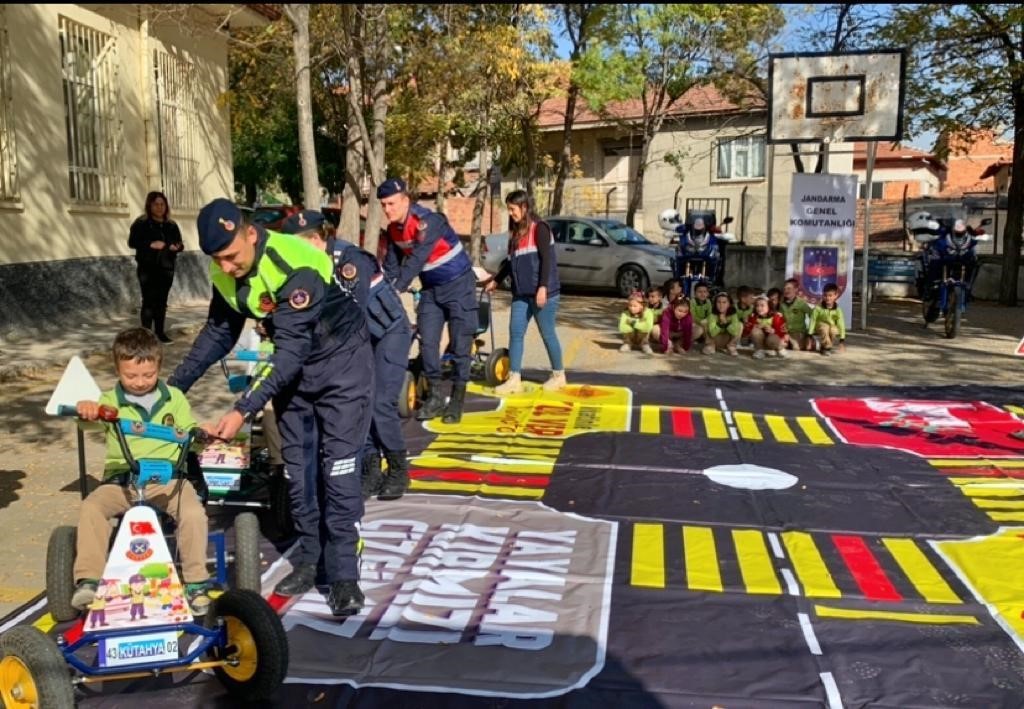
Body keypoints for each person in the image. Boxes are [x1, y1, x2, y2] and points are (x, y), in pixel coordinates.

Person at [168, 199, 372, 617]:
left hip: (341, 368)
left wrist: (242, 409)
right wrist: (173, 388)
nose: (226, 267)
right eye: (216, 260)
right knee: (297, 472)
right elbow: (218, 333)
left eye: (231, 256)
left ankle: (344, 575)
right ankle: (312, 560)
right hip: (294, 377)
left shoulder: (296, 261)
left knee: (338, 471)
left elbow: (289, 353)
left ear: (250, 233)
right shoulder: (223, 269)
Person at [70, 328, 213, 616]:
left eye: (147, 375)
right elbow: (88, 422)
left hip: (168, 479)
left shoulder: (174, 399)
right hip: (123, 479)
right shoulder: (109, 401)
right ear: (118, 370)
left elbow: (190, 436)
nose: (139, 382)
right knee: (91, 508)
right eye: (130, 376)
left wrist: (202, 435)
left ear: (158, 367)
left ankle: (196, 582)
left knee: (193, 513)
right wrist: (86, 409)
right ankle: (89, 579)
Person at [281, 210, 413, 501]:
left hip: (388, 333)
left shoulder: (348, 260)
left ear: (316, 239)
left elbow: (352, 310)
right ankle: (370, 468)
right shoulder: (306, 266)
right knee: (356, 402)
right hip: (357, 340)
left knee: (380, 403)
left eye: (296, 245)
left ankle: (398, 469)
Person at [377, 178, 477, 424]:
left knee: (460, 346)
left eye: (391, 204)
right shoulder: (392, 231)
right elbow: (391, 267)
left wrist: (398, 288)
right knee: (428, 344)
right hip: (432, 290)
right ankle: (434, 397)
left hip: (459, 286)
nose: (387, 210)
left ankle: (456, 400)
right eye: (383, 205)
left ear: (405, 201)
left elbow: (416, 260)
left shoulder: (427, 222)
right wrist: (381, 291)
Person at [485, 190, 566, 395]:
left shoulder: (540, 229)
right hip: (521, 294)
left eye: (513, 209)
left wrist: (543, 287)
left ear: (524, 208)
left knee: (547, 333)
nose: (510, 213)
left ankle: (559, 376)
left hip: (543, 293)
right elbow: (510, 263)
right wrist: (496, 280)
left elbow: (547, 260)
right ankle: (514, 378)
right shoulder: (515, 235)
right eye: (509, 209)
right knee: (516, 332)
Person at [128, 191, 183, 343]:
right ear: (149, 206)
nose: (159, 208)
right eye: (156, 204)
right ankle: (146, 335)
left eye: (162, 204)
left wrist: (176, 247)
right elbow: (132, 242)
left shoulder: (171, 225)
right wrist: (150, 244)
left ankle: (160, 332)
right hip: (148, 268)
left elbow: (179, 243)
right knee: (148, 301)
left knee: (162, 301)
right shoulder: (142, 223)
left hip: (166, 268)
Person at [742, 294, 789, 359]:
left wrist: (773, 330)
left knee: (772, 338)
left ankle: (780, 349)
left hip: (774, 342)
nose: (759, 308)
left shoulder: (777, 316)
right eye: (757, 306)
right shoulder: (753, 316)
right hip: (760, 344)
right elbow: (746, 332)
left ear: (769, 306)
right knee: (755, 331)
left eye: (762, 305)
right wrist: (753, 326)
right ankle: (759, 351)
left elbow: (784, 332)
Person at [810, 282, 846, 356]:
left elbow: (841, 324)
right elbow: (812, 320)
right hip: (820, 326)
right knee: (825, 327)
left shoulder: (838, 310)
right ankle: (827, 348)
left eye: (830, 295)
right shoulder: (818, 308)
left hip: (831, 326)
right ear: (823, 295)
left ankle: (824, 347)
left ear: (836, 295)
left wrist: (842, 339)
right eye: (825, 295)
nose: (828, 298)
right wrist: (809, 334)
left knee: (834, 330)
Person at [779, 278, 814, 351]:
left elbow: (813, 315)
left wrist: (810, 332)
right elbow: (780, 319)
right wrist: (783, 332)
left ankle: (812, 341)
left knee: (796, 348)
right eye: (785, 288)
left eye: (789, 288)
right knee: (781, 345)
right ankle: (791, 343)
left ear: (796, 289)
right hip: (786, 332)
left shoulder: (801, 303)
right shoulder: (782, 304)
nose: (786, 291)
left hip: (798, 332)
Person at [705, 291, 742, 356]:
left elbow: (735, 332)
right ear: (715, 303)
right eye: (718, 302)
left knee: (740, 325)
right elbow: (712, 333)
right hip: (716, 339)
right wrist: (720, 324)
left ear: (729, 304)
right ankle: (710, 345)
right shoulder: (712, 315)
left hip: (727, 339)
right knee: (704, 322)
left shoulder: (733, 315)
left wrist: (726, 323)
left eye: (724, 302)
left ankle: (731, 346)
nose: (721, 305)